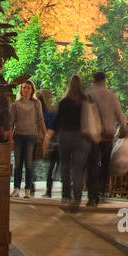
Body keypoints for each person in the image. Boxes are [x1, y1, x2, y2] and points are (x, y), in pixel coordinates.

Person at [84, 72, 128, 207]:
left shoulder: (89, 94)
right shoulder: (112, 96)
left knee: (92, 165)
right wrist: (124, 128)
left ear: (94, 80)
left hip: (93, 136)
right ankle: (102, 189)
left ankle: (92, 196)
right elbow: (120, 115)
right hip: (108, 136)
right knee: (105, 164)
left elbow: (84, 115)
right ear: (104, 80)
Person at [54, 75, 93, 210]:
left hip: (66, 136)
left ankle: (66, 196)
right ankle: (77, 199)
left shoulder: (64, 102)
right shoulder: (85, 101)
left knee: (65, 166)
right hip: (82, 138)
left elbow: (57, 121)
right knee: (78, 170)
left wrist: (50, 135)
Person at [10, 80, 45, 198]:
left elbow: (40, 119)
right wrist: (10, 137)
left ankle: (28, 189)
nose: (25, 90)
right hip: (19, 135)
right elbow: (12, 121)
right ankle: (16, 188)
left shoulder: (36, 103)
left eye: (28, 88)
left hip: (31, 135)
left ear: (32, 90)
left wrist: (45, 135)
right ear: (21, 89)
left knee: (29, 162)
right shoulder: (16, 103)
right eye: (23, 88)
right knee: (17, 163)